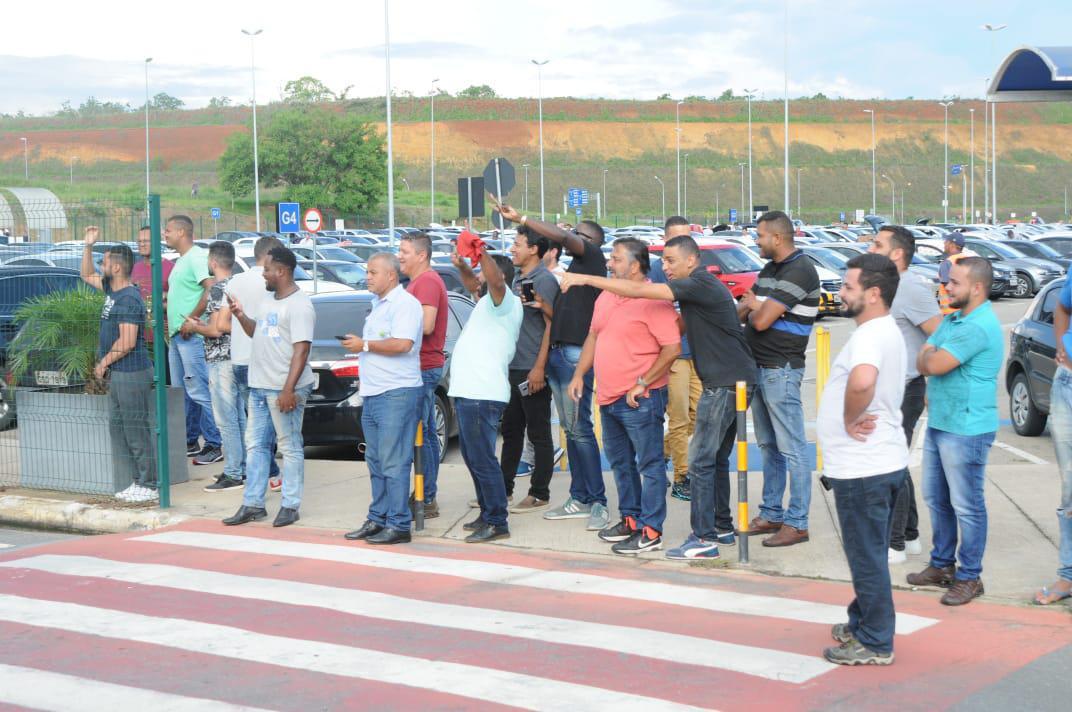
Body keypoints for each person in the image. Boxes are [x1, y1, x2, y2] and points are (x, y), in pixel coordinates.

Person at [563, 234, 755, 560]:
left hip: (726, 382)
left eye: (670, 260)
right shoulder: (697, 291)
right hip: (726, 380)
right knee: (714, 459)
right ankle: (720, 526)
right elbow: (682, 327)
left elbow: (644, 299)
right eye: (662, 260)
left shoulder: (697, 283)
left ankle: (703, 538)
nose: (664, 267)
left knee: (699, 460)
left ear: (691, 260)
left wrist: (584, 278)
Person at [493, 201, 609, 531]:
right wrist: (544, 305)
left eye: (579, 235)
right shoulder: (574, 273)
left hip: (574, 356)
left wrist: (522, 217)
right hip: (559, 355)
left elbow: (562, 236)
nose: (570, 236)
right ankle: (580, 496)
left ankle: (597, 501)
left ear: (591, 243)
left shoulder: (593, 259)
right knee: (571, 431)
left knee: (580, 429)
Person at [817, 253, 907, 666]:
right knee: (869, 553)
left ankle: (875, 641)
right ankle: (864, 621)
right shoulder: (884, 329)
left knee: (866, 557)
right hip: (879, 463)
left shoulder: (870, 335)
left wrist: (849, 418)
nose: (840, 292)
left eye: (848, 286)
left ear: (873, 294)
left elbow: (862, 381)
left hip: (864, 468)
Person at [564, 238, 679, 554]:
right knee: (620, 462)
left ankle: (651, 530)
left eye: (615, 259)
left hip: (640, 400)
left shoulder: (654, 301)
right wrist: (579, 374)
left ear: (635, 265)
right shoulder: (606, 296)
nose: (609, 263)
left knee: (650, 465)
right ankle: (630, 519)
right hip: (608, 397)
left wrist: (643, 382)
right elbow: (593, 336)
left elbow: (672, 348)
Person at [908, 257, 1002, 606]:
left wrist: (930, 356)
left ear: (976, 288)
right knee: (937, 499)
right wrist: (929, 356)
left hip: (966, 428)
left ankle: (970, 576)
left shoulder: (977, 326)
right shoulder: (953, 319)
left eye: (955, 283)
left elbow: (933, 363)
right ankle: (942, 565)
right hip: (941, 422)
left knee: (967, 505)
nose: (946, 287)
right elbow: (924, 358)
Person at [737, 210, 819, 548]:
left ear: (777, 237)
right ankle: (771, 512)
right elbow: (744, 309)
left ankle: (797, 523)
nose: (756, 241)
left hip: (780, 369)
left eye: (759, 236)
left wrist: (757, 306)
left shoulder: (800, 270)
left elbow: (758, 320)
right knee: (768, 445)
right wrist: (757, 305)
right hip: (759, 367)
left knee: (793, 448)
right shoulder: (770, 269)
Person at [222, 247, 315, 528]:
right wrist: (240, 315)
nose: (263, 274)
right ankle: (253, 504)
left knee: (289, 446)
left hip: (283, 388)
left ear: (282, 272)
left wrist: (289, 390)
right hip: (259, 385)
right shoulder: (267, 300)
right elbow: (257, 333)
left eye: (267, 269)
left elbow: (302, 350)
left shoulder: (300, 306)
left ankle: (290, 505)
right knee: (256, 445)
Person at [868, 226, 942, 563]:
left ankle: (894, 543)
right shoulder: (885, 286)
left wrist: (929, 377)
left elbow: (940, 335)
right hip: (886, 390)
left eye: (877, 244)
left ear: (897, 254)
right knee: (893, 461)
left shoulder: (910, 288)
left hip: (906, 389)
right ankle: (909, 535)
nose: (870, 249)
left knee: (889, 464)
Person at [343, 253, 424, 545]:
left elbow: (403, 344)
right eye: (367, 272)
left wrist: (364, 344)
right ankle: (378, 518)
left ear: (391, 275)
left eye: (373, 272)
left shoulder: (405, 304)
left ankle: (399, 524)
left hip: (397, 393)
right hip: (374, 393)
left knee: (394, 461)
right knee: (376, 461)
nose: (367, 277)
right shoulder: (377, 304)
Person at [449, 250, 524, 542]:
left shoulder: (506, 301)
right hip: (470, 391)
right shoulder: (487, 303)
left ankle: (497, 521)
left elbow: (494, 281)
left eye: (484, 274)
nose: (478, 281)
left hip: (482, 392)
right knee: (473, 457)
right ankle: (487, 512)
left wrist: (480, 254)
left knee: (482, 459)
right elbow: (474, 283)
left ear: (497, 276)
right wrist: (462, 266)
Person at [80, 227, 157, 503]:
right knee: (121, 426)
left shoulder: (128, 298)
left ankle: (149, 484)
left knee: (136, 428)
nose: (100, 267)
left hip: (131, 372)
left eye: (103, 262)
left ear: (116, 267)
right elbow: (85, 275)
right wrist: (88, 246)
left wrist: (103, 363)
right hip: (120, 373)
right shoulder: (112, 290)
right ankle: (138, 481)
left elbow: (127, 341)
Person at [497, 227, 559, 514]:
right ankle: (503, 490)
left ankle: (539, 492)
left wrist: (539, 368)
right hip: (514, 365)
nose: (512, 248)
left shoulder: (544, 280)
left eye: (518, 244)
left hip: (532, 368)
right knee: (511, 432)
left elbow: (552, 324)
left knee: (538, 433)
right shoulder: (518, 278)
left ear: (534, 249)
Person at [181, 241, 245, 492]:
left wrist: (194, 326)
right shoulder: (239, 283)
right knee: (239, 416)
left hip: (221, 360)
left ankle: (234, 472)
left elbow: (216, 329)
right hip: (238, 356)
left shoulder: (219, 289)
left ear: (214, 262)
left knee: (226, 419)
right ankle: (243, 467)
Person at [222, 236, 283, 491]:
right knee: (267, 424)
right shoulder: (275, 282)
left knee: (254, 422)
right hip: (266, 360)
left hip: (240, 358)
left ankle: (264, 472)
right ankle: (271, 472)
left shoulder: (235, 281)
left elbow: (223, 322)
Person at [164, 215, 223, 466]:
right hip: (178, 336)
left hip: (192, 336)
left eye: (168, 230)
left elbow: (211, 288)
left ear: (181, 232)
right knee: (184, 393)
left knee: (199, 390)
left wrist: (193, 319)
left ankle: (214, 443)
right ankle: (190, 440)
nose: (164, 234)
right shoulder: (181, 260)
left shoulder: (197, 257)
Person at [399, 233, 449, 518]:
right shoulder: (417, 282)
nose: (400, 256)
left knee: (422, 434)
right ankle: (425, 493)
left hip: (423, 367)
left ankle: (426, 495)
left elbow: (427, 325)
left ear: (421, 255)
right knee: (426, 432)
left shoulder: (427, 282)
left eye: (405, 251)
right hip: (420, 367)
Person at [660, 217, 704, 502]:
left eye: (687, 237)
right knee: (678, 418)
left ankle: (659, 453)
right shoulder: (659, 271)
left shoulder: (696, 274)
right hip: (673, 355)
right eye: (676, 237)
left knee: (699, 416)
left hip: (696, 354)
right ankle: (681, 477)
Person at [1035, 273, 1072, 605]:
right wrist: (1062, 346)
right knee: (1070, 489)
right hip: (1067, 383)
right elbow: (1063, 305)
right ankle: (1068, 575)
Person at [937, 233, 966, 315]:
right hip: (965, 309)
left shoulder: (947, 262)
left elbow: (947, 286)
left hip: (949, 311)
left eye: (946, 241)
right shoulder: (967, 259)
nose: (944, 243)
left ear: (952, 245)